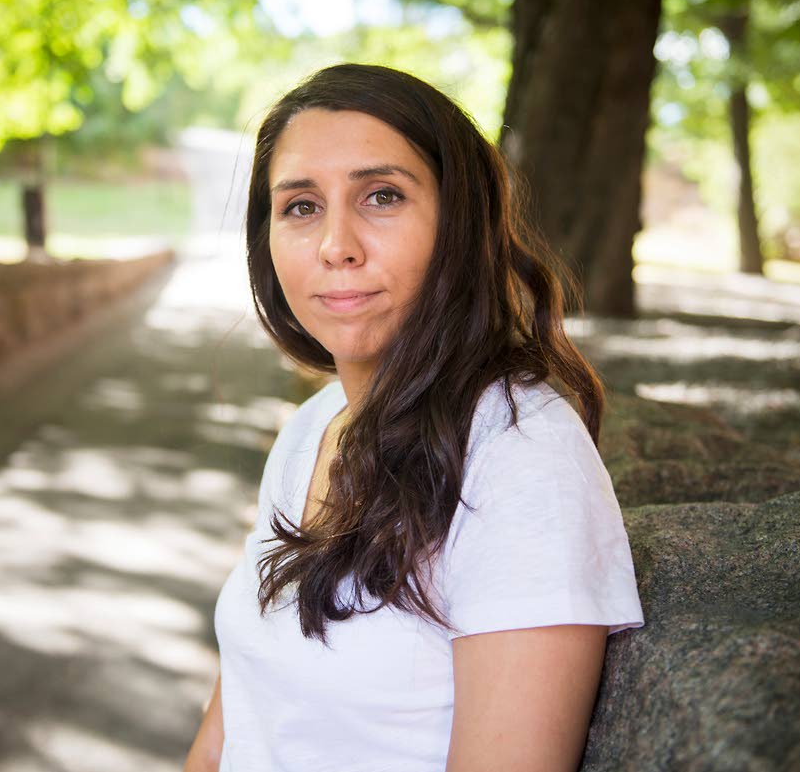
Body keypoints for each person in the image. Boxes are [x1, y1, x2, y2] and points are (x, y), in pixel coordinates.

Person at [183, 63, 644, 772]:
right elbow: (229, 725)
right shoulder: (313, 426)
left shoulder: (521, 457)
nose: (337, 244)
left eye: (382, 195)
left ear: (460, 224)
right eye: (301, 206)